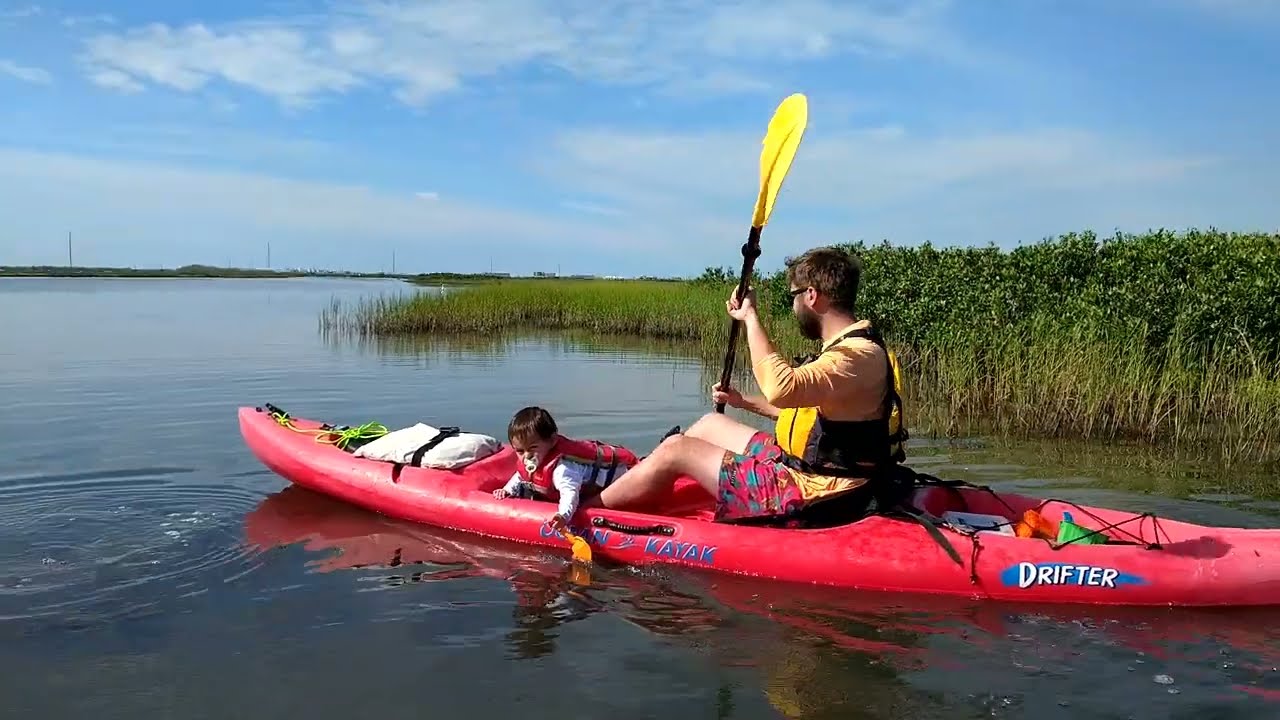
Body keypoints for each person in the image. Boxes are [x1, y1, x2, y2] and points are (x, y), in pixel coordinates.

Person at [582, 246, 907, 525]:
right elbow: (807, 417)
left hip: (821, 492)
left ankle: (589, 511)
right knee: (711, 424)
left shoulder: (856, 356)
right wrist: (741, 401)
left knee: (675, 448)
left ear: (811, 295)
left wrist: (751, 318)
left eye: (793, 296)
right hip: (805, 467)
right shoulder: (849, 347)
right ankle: (643, 481)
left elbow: (781, 388)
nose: (793, 307)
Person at [494, 406, 640, 531]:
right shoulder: (534, 460)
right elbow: (521, 475)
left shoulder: (563, 468)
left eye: (533, 448)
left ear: (552, 441)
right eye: (520, 451)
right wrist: (507, 490)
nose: (527, 456)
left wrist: (563, 515)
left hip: (623, 476)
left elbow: (570, 494)